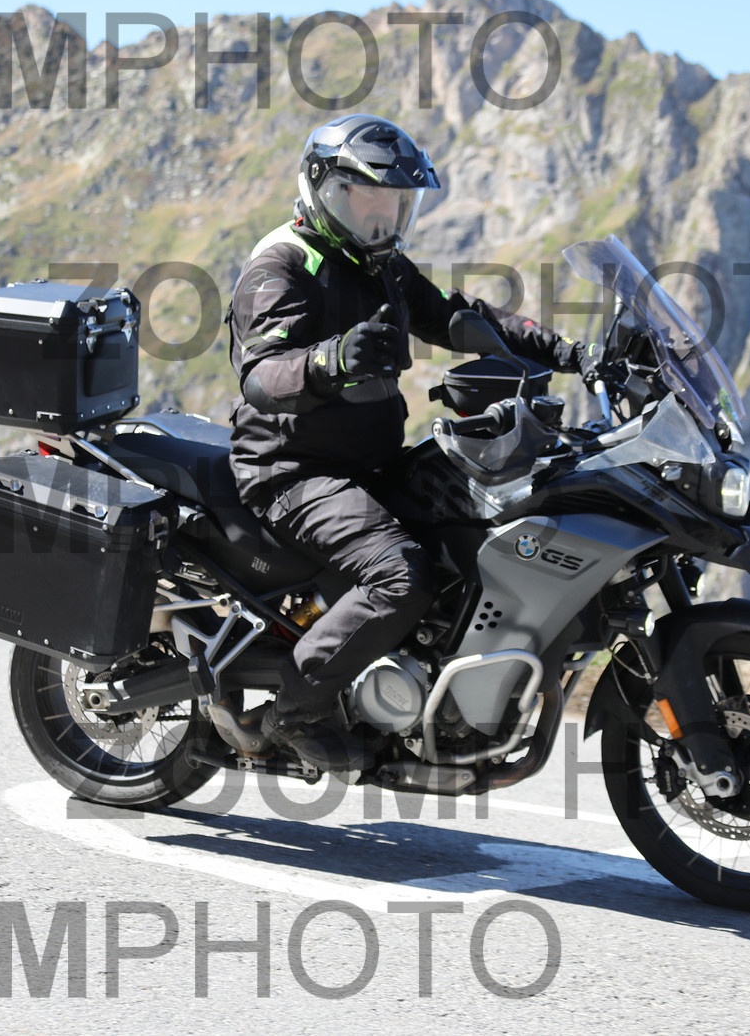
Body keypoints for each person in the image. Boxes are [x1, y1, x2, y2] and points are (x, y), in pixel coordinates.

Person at [226, 114, 598, 771]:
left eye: (396, 203)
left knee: (478, 527)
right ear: (324, 190)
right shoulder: (281, 266)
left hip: (368, 463)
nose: (384, 216)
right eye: (368, 199)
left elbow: (459, 319)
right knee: (402, 574)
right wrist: (329, 361)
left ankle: (427, 688)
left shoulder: (383, 266)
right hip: (291, 470)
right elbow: (261, 376)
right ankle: (295, 710)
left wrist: (572, 353)